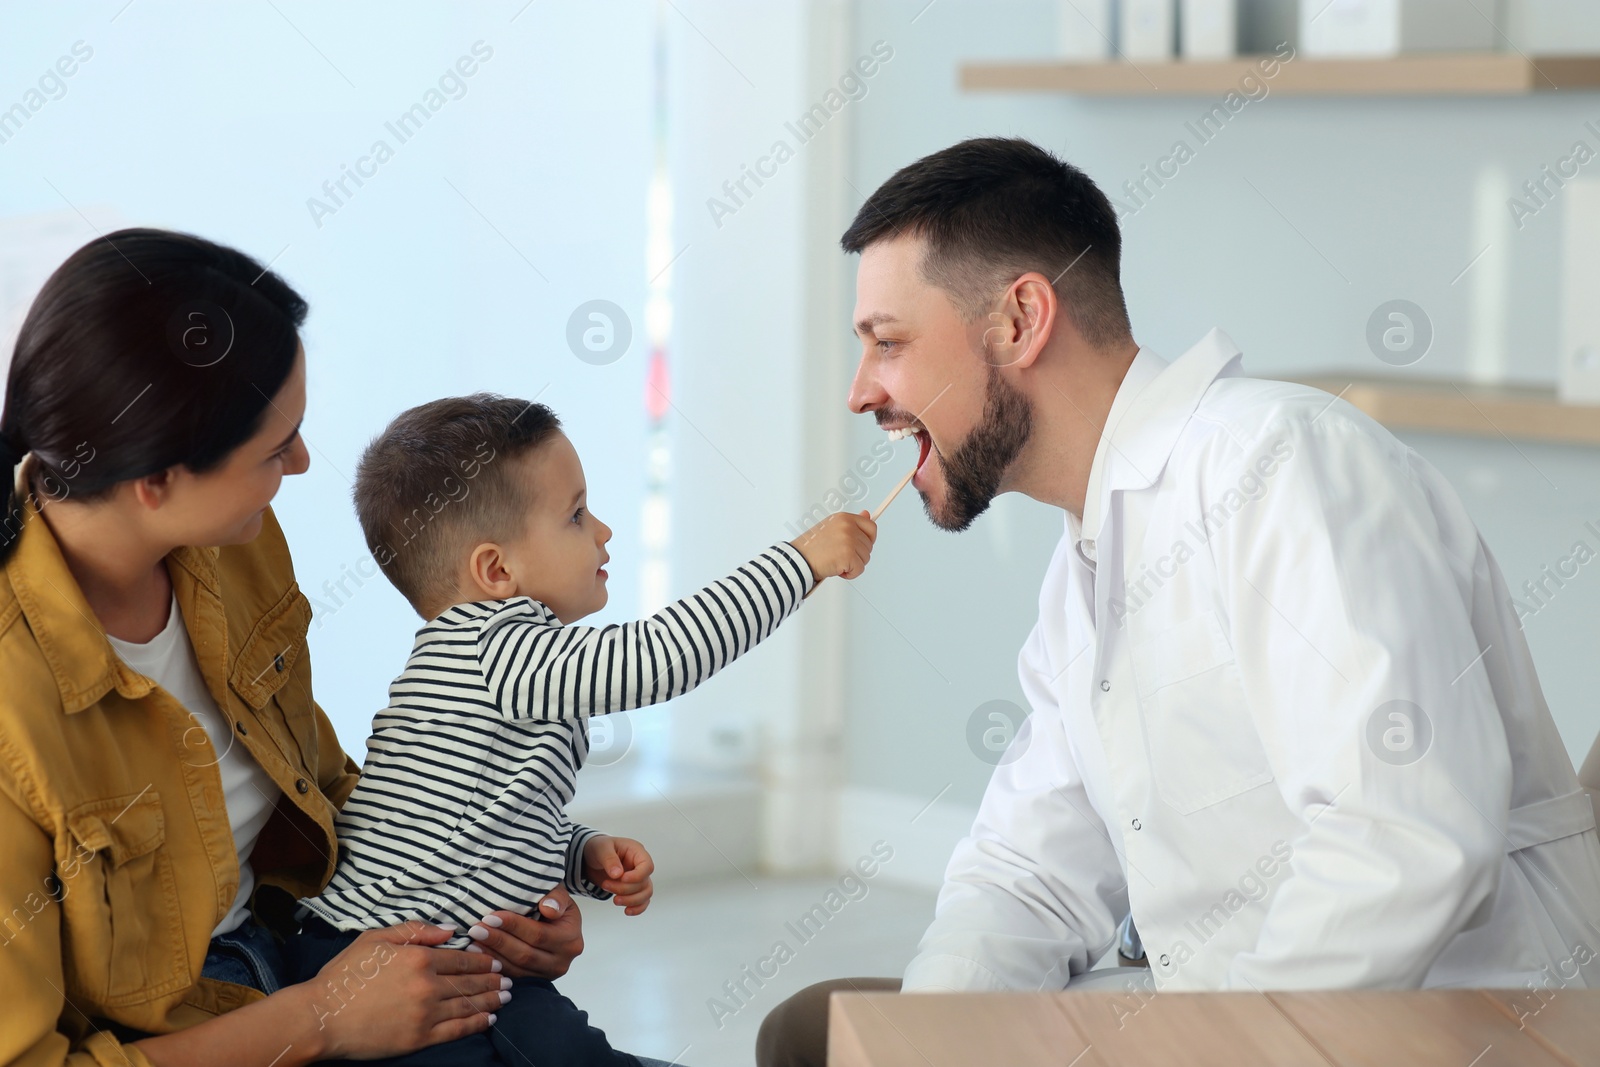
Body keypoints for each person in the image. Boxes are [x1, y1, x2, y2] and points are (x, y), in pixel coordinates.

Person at [756, 137, 1600, 1067]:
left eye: (889, 342)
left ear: (1020, 321)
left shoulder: (1282, 466)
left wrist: (1202, 1045)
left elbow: (1405, 837)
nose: (859, 391)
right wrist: (929, 1041)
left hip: (1438, 1024)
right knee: (820, 1032)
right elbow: (1029, 869)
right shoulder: (1084, 565)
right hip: (1217, 1012)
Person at [0, 229, 627, 1067]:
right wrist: (321, 1018)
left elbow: (326, 791)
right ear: (155, 480)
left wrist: (500, 887)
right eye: (272, 447)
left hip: (315, 937)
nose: (300, 462)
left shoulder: (234, 542)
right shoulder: (15, 705)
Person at [284, 394, 878, 1066]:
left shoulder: (492, 656)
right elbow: (659, 656)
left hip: (458, 960)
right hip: (384, 959)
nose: (603, 531)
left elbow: (482, 817)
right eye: (575, 515)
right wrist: (801, 562)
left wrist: (578, 851)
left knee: (569, 1046)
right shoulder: (496, 647)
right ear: (496, 571)